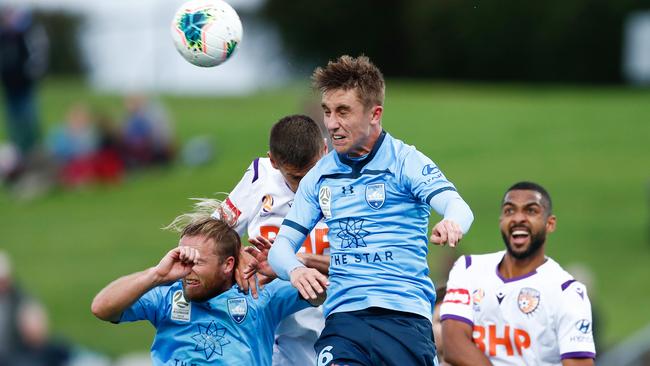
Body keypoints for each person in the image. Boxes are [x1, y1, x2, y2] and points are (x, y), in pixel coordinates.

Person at [268, 55, 474, 365]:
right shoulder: (319, 176)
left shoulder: (406, 161)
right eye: (327, 111)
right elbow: (280, 248)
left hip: (404, 318)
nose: (331, 123)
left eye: (343, 112)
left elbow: (458, 206)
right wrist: (295, 270)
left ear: (374, 114)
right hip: (344, 322)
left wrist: (452, 222)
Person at [91, 213, 322, 366]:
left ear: (227, 265)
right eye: (183, 259)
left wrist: (293, 263)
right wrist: (156, 275)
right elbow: (101, 308)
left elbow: (324, 289)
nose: (187, 270)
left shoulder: (259, 293)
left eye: (197, 262)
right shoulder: (166, 295)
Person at [212, 114, 330, 366]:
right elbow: (210, 235)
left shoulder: (348, 182)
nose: (305, 185)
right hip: (272, 332)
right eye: (296, 178)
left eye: (312, 172)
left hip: (331, 323)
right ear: (274, 161)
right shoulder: (261, 176)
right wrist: (237, 252)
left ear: (325, 149)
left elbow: (364, 262)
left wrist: (298, 261)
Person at [440, 181, 596, 366]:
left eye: (531, 211)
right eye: (509, 211)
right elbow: (453, 345)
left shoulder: (567, 292)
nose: (518, 218)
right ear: (501, 221)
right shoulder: (468, 269)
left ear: (550, 224)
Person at [0, 7, 48, 179]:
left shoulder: (27, 33)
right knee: (14, 127)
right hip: (9, 87)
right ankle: (17, 163)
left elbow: (38, 56)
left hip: (25, 86)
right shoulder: (4, 36)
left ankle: (34, 161)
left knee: (29, 124)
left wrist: (32, 73)